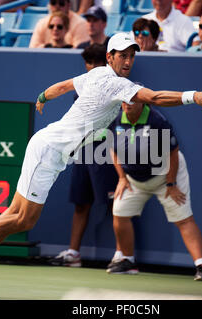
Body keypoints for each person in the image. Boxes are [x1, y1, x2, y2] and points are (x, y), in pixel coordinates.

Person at [0, 32, 202, 297]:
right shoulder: (115, 83)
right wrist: (194, 96)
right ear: (109, 57)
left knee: (14, 214)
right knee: (25, 219)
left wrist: (43, 96)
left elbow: (63, 87)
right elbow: (155, 97)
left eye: (132, 56)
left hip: (52, 153)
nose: (128, 61)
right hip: (48, 150)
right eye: (122, 55)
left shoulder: (96, 73)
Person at [105, 101, 202, 281]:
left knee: (184, 219)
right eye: (124, 101)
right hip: (133, 180)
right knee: (119, 215)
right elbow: (113, 150)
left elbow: (173, 151)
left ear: (142, 103)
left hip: (165, 176)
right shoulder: (117, 119)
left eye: (132, 101)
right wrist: (122, 177)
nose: (127, 104)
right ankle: (128, 261)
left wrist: (171, 183)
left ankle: (201, 266)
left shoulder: (156, 120)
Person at [48, 43, 118, 267]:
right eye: (88, 63)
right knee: (80, 203)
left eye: (96, 63)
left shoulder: (115, 86)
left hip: (105, 152)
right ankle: (73, 253)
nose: (91, 67)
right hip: (82, 151)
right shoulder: (82, 86)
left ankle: (123, 255)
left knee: (117, 205)